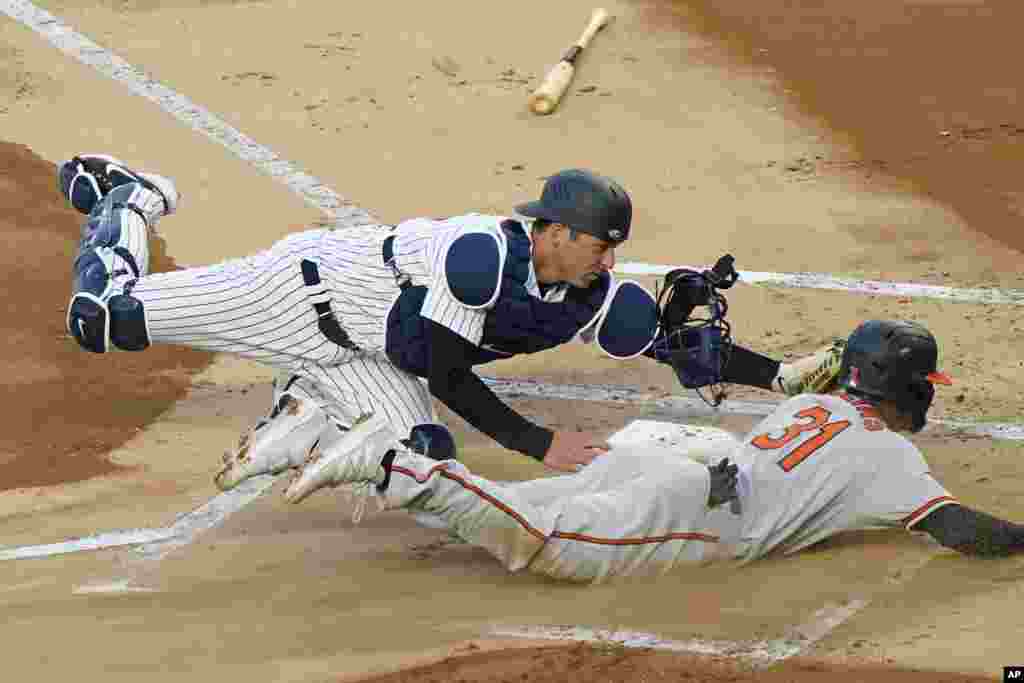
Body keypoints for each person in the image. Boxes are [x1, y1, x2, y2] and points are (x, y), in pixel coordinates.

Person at [59, 153, 839, 496]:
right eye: (602, 244)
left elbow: (678, 347)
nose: (611, 259)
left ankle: (307, 404)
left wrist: (780, 374)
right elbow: (446, 372)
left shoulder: (585, 291)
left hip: (368, 353)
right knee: (100, 321)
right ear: (558, 232)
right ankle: (125, 198)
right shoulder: (478, 258)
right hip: (296, 296)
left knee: (423, 456)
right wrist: (539, 444)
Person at [278, 319, 1024, 583]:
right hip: (696, 506)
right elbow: (954, 527)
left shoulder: (811, 402)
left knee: (514, 509)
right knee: (548, 543)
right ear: (909, 387)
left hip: (670, 461)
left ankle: (325, 438)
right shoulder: (890, 459)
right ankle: (385, 461)